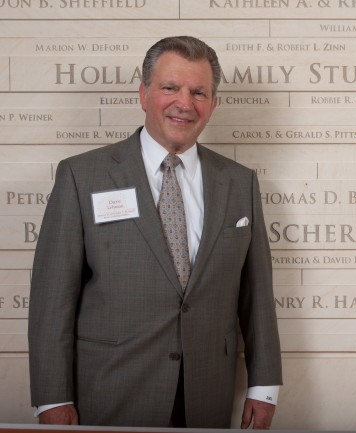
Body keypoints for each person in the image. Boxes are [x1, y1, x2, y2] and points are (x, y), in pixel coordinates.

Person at [28, 36, 282, 429]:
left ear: (213, 105)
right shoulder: (82, 176)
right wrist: (51, 398)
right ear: (144, 94)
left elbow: (257, 294)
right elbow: (52, 299)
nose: (185, 103)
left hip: (207, 393)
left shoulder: (240, 183)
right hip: (109, 391)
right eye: (170, 88)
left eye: (199, 92)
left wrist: (264, 387)